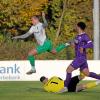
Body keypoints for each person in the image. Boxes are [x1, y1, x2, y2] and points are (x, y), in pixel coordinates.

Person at [64, 22, 100, 88]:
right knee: (86, 73)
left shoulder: (84, 36)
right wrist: (70, 44)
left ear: (79, 27)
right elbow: (75, 45)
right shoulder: (77, 36)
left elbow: (91, 44)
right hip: (81, 58)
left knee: (68, 70)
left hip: (80, 58)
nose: (75, 27)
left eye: (76, 26)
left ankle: (65, 87)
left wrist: (83, 47)